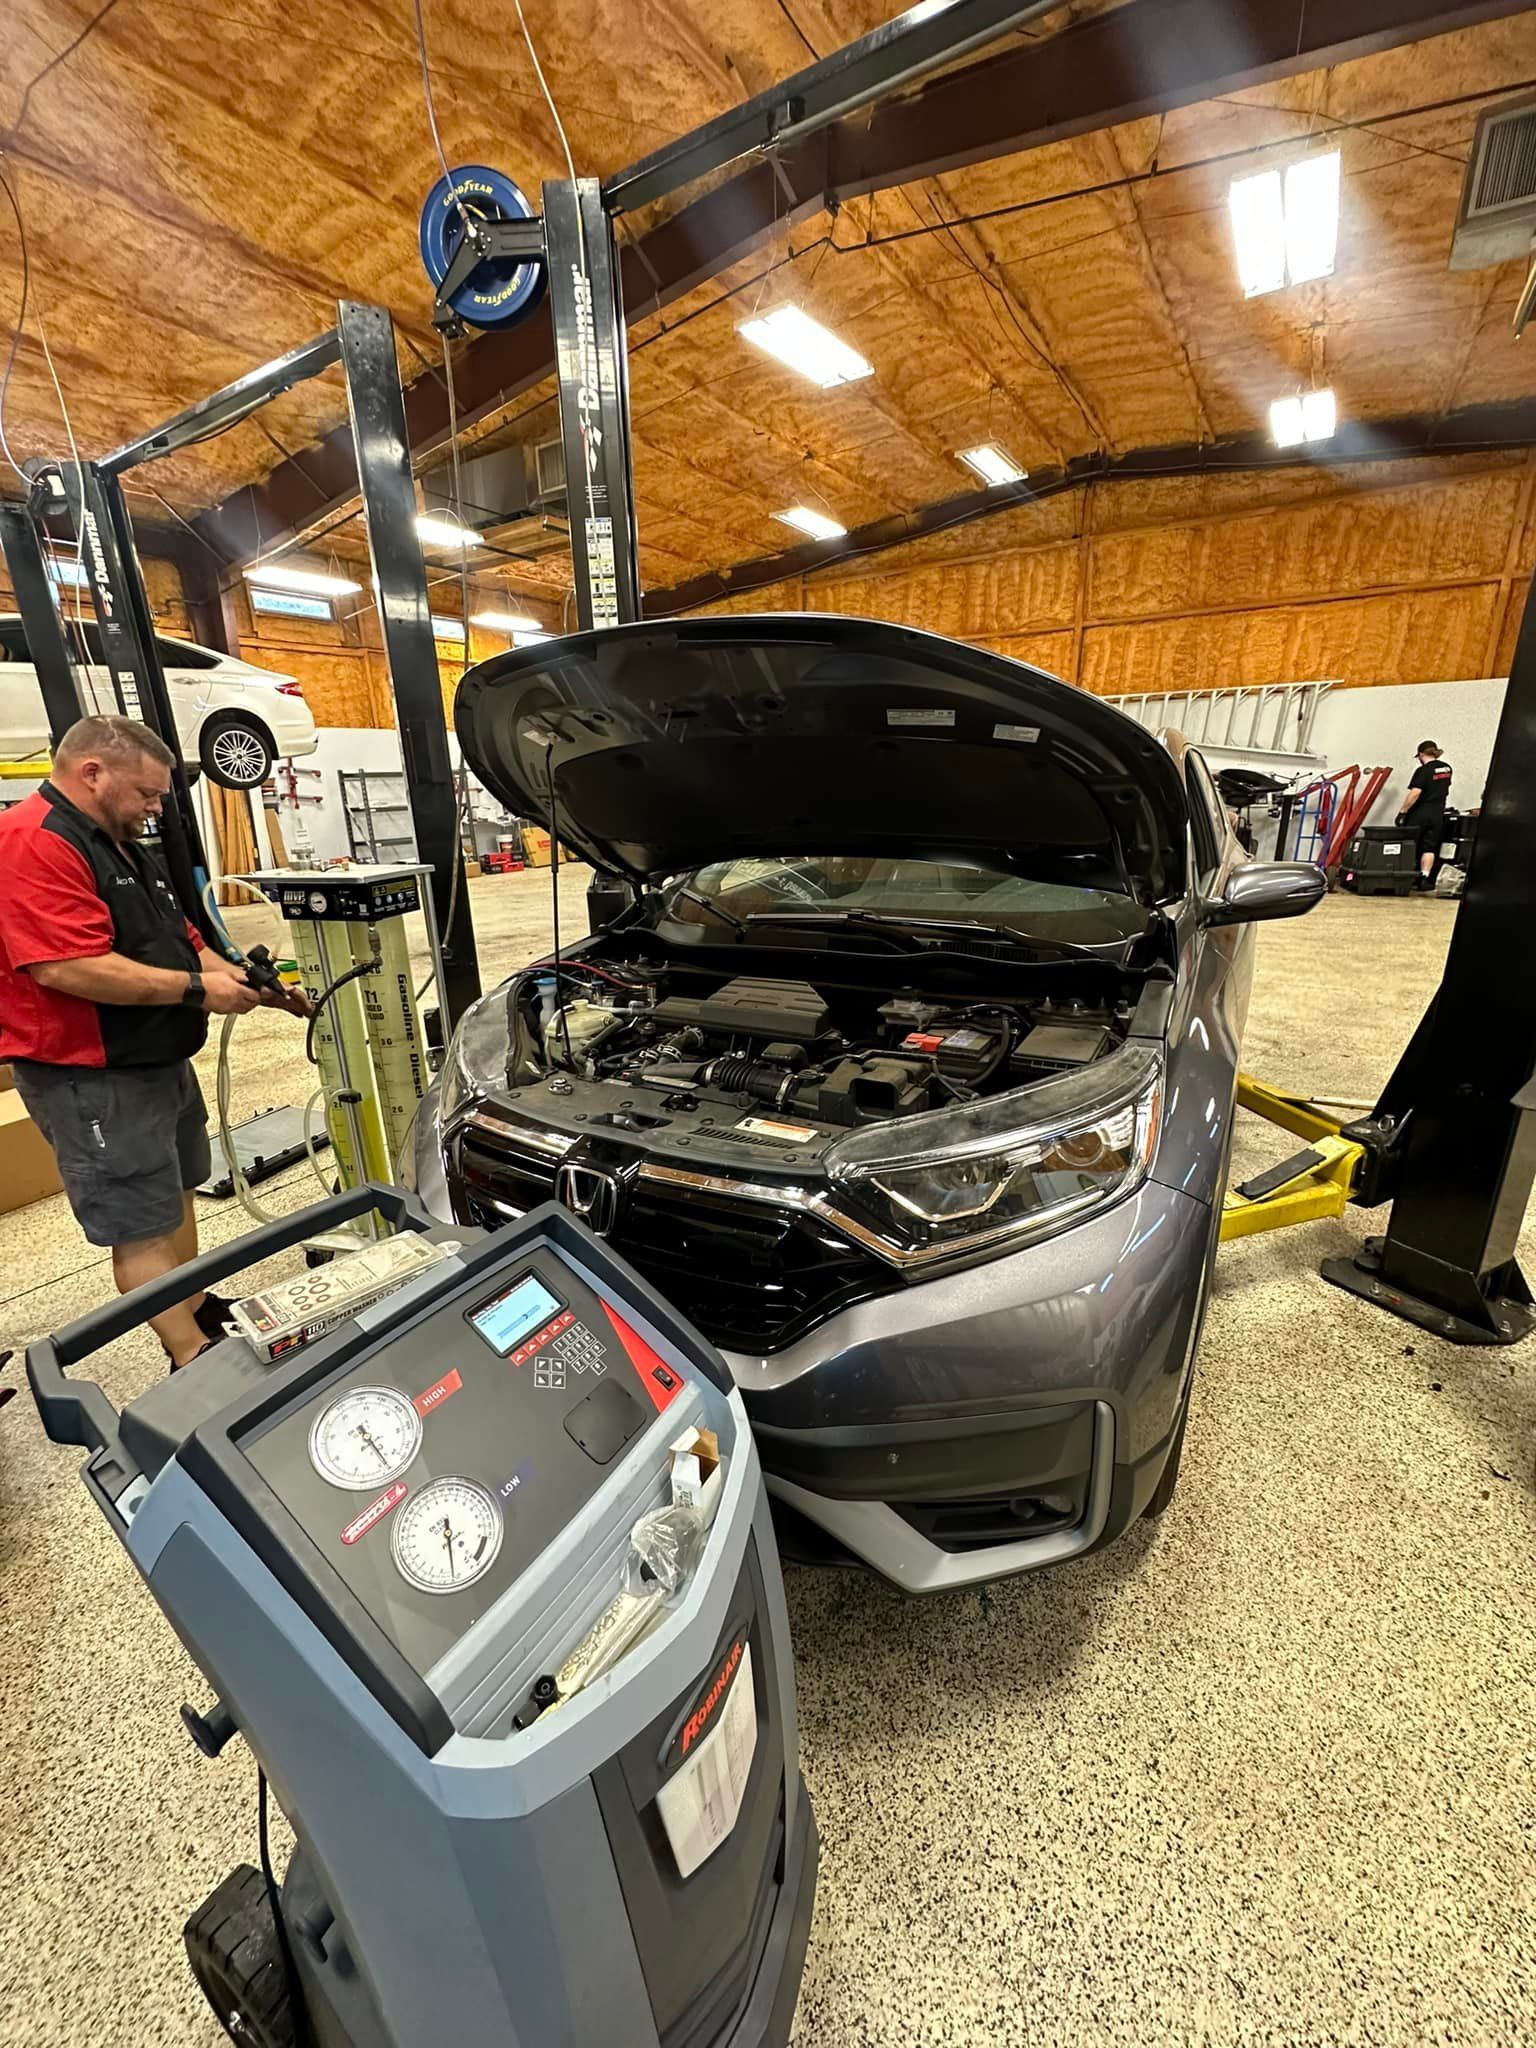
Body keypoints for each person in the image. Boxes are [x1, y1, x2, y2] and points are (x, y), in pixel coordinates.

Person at [0, 716, 307, 1366]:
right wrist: (198, 992)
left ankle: (192, 1305)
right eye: (146, 793)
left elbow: (182, 938)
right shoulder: (33, 842)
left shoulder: (119, 838)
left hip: (156, 1055)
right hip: (93, 1075)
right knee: (141, 1228)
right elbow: (66, 967)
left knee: (176, 1193)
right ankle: (191, 1359)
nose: (154, 807)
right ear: (93, 772)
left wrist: (258, 987)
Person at [1396, 740, 1453, 892]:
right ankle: (1425, 879)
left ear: (1421, 755)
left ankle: (1405, 879)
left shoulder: (1423, 771)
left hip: (1420, 812)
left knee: (1409, 845)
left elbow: (1415, 793)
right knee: (1429, 847)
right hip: (1437, 812)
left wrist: (1402, 812)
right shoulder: (1447, 768)